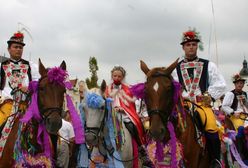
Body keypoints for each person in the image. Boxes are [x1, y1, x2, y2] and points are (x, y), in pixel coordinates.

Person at [172, 28, 226, 167]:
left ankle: (215, 160)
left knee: (211, 125)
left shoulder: (209, 65)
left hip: (202, 105)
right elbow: (172, 87)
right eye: (188, 45)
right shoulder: (176, 69)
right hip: (183, 105)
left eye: (193, 44)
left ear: (197, 46)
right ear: (183, 47)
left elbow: (220, 84)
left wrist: (208, 95)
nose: (191, 47)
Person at [105, 65, 153, 167]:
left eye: (119, 76)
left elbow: (131, 106)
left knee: (132, 126)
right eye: (115, 76)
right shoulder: (107, 89)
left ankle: (141, 150)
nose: (117, 78)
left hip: (125, 115)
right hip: (110, 116)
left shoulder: (128, 89)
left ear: (122, 77)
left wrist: (123, 110)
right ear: (112, 76)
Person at [0, 31, 39, 126]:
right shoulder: (1, 66)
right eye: (15, 47)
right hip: (7, 106)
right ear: (9, 49)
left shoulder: (31, 66)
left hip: (27, 106)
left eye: (20, 47)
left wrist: (30, 87)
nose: (18, 49)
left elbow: (40, 84)